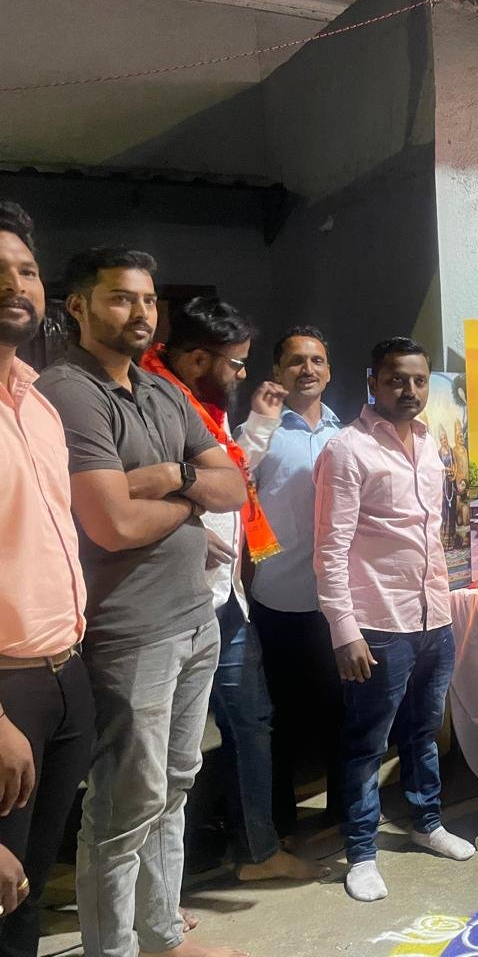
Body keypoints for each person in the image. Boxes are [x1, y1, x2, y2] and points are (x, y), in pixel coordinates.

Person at [36, 248, 247, 957]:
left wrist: (169, 478)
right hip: (131, 633)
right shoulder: (70, 391)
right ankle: (115, 949)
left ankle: (161, 936)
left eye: (149, 300)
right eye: (122, 298)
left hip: (193, 620)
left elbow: (231, 486)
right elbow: (114, 526)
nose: (141, 313)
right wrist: (192, 501)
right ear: (78, 306)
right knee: (125, 806)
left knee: (175, 788)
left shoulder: (160, 390)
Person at [141, 300, 325, 883]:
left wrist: (258, 427)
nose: (242, 374)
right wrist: (187, 533)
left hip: (223, 600)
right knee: (167, 746)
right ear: (199, 359)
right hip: (169, 602)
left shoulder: (204, 407)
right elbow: (124, 494)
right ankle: (161, 886)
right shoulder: (148, 403)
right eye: (237, 363)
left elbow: (230, 478)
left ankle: (256, 853)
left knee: (249, 721)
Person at [314, 337, 473, 903]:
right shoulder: (347, 450)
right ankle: (361, 853)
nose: (409, 391)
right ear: (372, 382)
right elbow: (330, 549)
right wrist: (344, 630)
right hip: (378, 623)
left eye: (419, 381)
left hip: (433, 616)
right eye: (396, 380)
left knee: (424, 732)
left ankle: (427, 823)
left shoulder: (429, 444)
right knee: (367, 742)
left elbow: (431, 533)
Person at [0, 201, 95, 957]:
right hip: (6, 691)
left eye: (27, 270)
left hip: (65, 674)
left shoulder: (38, 404)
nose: (15, 284)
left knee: (28, 885)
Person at [234, 327, 344, 841]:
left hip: (337, 604)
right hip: (277, 599)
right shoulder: (258, 432)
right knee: (277, 719)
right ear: (277, 371)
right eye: (296, 361)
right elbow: (231, 492)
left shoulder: (345, 433)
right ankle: (277, 826)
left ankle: (345, 813)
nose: (308, 369)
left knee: (341, 714)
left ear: (329, 371)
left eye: (317, 360)